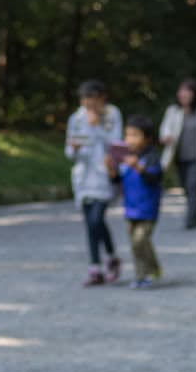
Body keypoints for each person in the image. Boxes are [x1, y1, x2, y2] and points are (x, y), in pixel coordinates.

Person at [66, 79, 124, 285]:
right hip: (83, 177)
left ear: (102, 98)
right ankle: (96, 267)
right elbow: (69, 153)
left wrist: (97, 126)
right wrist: (74, 149)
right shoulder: (76, 118)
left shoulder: (112, 114)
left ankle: (110, 257)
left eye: (93, 102)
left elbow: (115, 144)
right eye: (85, 102)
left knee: (96, 219)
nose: (88, 107)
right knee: (90, 223)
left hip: (104, 175)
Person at [112, 115, 165, 288]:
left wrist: (138, 167)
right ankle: (153, 269)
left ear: (147, 138)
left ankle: (143, 276)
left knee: (139, 242)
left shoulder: (151, 157)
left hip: (148, 209)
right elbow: (119, 182)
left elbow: (154, 178)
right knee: (138, 244)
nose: (130, 139)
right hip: (131, 208)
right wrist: (110, 170)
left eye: (135, 135)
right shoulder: (125, 158)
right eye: (127, 135)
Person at [159, 79, 196, 229]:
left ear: (194, 93)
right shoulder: (173, 111)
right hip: (179, 157)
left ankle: (190, 220)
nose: (183, 94)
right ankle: (195, 213)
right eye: (181, 91)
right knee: (187, 188)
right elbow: (164, 130)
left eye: (187, 91)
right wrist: (166, 137)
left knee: (192, 186)